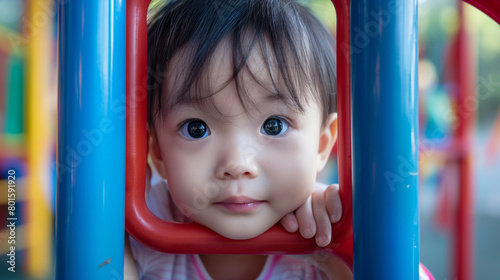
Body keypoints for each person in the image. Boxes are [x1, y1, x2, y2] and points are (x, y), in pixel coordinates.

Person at [124, 0, 352, 279]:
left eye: (274, 125)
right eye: (196, 128)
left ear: (322, 144)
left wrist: (342, 249)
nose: (236, 163)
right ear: (157, 152)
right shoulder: (148, 225)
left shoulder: (326, 228)